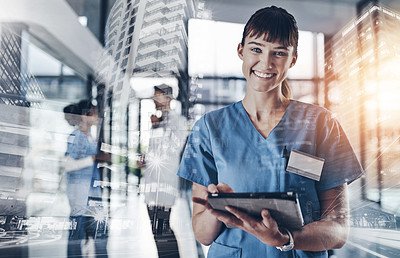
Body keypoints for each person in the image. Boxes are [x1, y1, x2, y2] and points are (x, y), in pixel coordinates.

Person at [177, 6, 364, 258]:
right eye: (256, 49)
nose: (265, 63)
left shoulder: (321, 124)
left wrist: (286, 239)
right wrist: (221, 210)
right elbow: (202, 234)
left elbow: (339, 230)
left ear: (293, 59)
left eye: (279, 52)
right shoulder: (209, 129)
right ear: (241, 51)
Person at [140, 84, 188, 258]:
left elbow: (172, 149)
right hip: (153, 183)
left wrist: (156, 128)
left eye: (158, 96)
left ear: (169, 98)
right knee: (157, 229)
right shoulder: (160, 121)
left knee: (162, 228)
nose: (154, 100)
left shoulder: (178, 121)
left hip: (164, 184)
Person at [63, 100, 109, 258]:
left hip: (92, 195)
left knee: (99, 233)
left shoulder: (89, 137)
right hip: (80, 196)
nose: (97, 116)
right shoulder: (75, 136)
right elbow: (68, 165)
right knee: (78, 237)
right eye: (94, 113)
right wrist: (95, 157)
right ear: (85, 115)